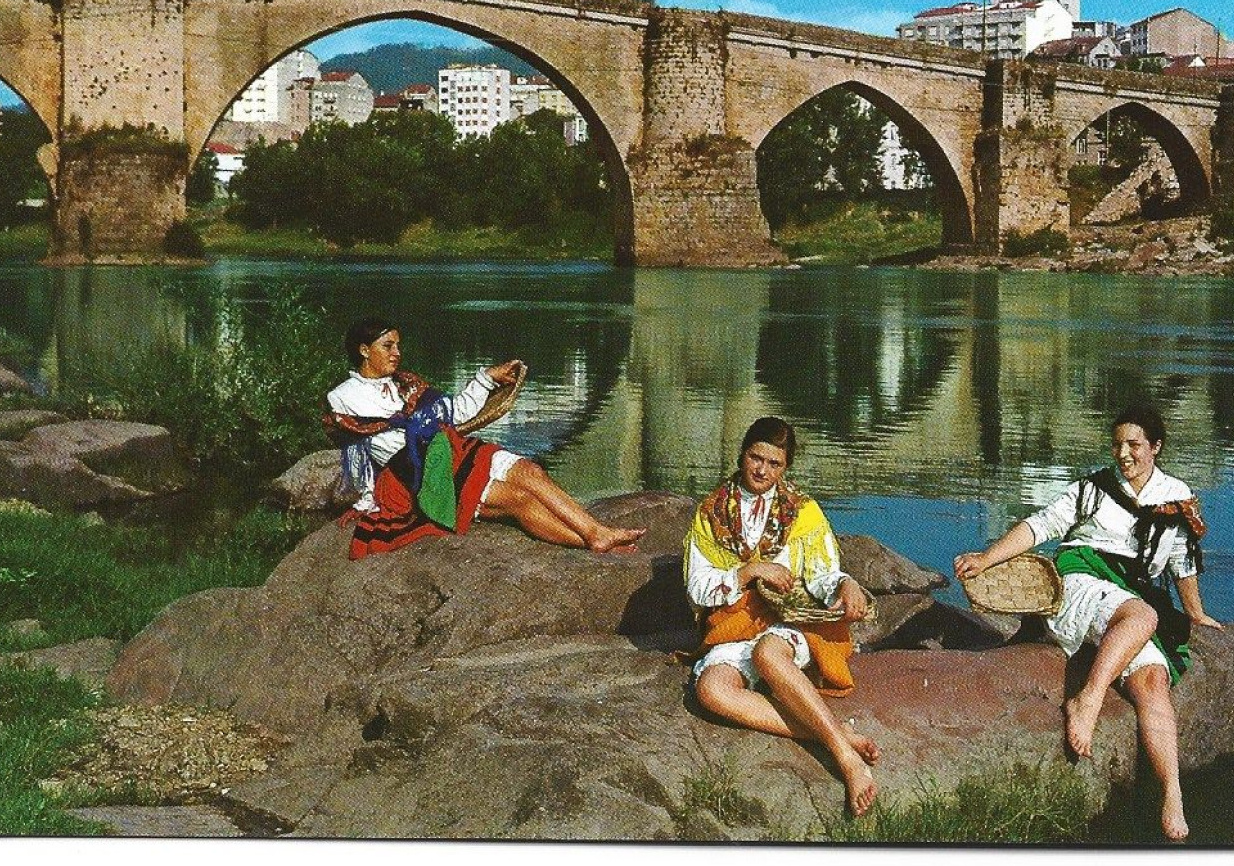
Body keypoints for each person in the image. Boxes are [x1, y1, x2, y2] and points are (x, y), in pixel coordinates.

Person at [954, 404, 1222, 842]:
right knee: (1143, 616)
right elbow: (1040, 526)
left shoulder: (1176, 494)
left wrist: (1194, 612)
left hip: (1130, 597)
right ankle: (1088, 699)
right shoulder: (1093, 489)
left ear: (1155, 447)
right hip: (1082, 580)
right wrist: (988, 557)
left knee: (1152, 679)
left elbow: (1181, 562)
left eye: (1134, 445)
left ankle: (1171, 792)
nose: (1123, 454)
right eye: (1117, 444)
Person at [683, 416, 880, 818]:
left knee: (769, 657)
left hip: (789, 623)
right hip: (734, 624)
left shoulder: (803, 511)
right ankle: (837, 733)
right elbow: (697, 587)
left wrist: (845, 585)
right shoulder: (711, 510)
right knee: (711, 691)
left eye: (774, 464)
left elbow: (824, 573)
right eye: (756, 458)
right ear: (742, 453)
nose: (762, 470)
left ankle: (845, 758)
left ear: (785, 467)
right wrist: (748, 572)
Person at [322, 317, 645, 559]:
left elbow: (455, 413)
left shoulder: (406, 383)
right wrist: (424, 436)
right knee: (519, 502)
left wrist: (486, 379)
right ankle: (594, 541)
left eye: (397, 345)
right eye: (387, 346)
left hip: (450, 451)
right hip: (417, 474)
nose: (397, 353)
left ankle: (596, 532)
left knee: (532, 472)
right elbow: (376, 448)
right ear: (364, 351)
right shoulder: (343, 397)